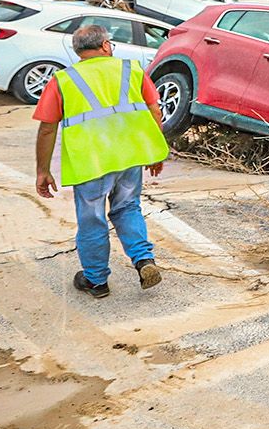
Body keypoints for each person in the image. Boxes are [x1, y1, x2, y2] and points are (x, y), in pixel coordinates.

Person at [33, 23, 171, 299]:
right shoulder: (131, 70)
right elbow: (154, 111)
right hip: (129, 157)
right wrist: (155, 151)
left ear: (78, 52)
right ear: (106, 45)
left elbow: (47, 128)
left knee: (92, 219)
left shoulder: (62, 80)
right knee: (127, 208)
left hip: (90, 162)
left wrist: (42, 170)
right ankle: (144, 260)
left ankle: (96, 281)